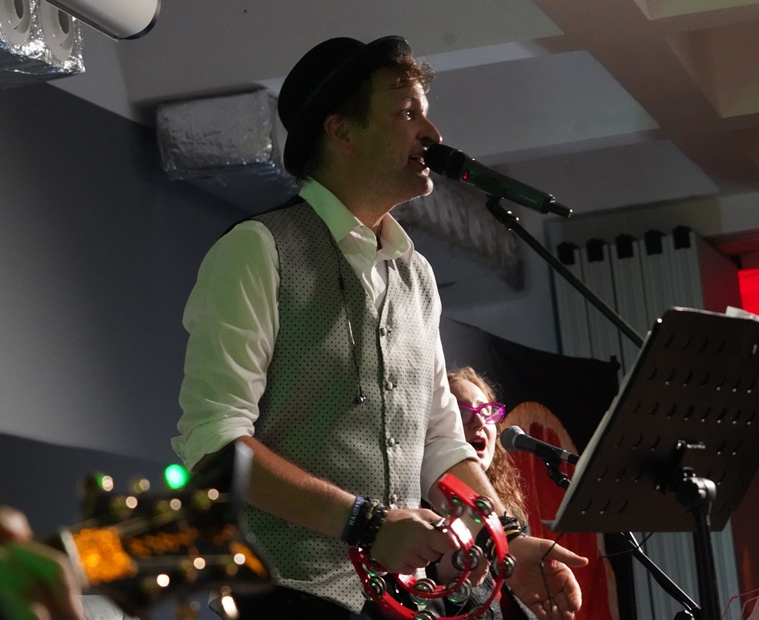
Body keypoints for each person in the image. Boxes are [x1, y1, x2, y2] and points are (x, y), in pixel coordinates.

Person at [171, 35, 587, 619]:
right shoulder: (258, 250)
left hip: (393, 602)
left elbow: (440, 441)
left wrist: (507, 544)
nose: (432, 133)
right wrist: (364, 523)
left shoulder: (415, 274)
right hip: (281, 597)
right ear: (341, 131)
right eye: (407, 113)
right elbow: (213, 444)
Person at [446, 367, 538, 619]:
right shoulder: (419, 510)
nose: (479, 422)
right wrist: (448, 579)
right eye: (462, 412)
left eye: (487, 412)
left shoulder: (510, 517)